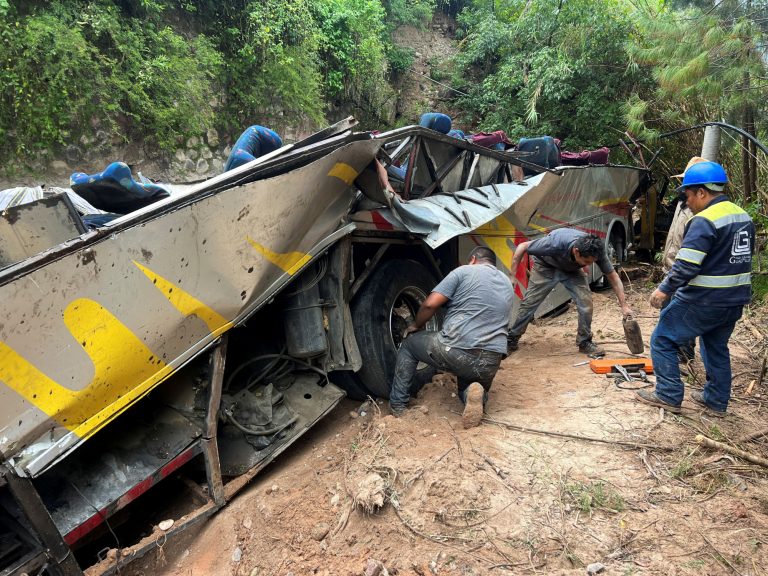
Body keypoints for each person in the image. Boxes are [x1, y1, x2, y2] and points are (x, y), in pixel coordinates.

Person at [637, 161, 754, 415]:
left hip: (702, 300)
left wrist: (663, 289)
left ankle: (668, 394)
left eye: (688, 195)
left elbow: (687, 265)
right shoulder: (742, 216)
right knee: (715, 346)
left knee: (662, 339)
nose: (687, 202)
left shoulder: (704, 220)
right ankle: (716, 401)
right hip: (734, 301)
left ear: (702, 192)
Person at [389, 246, 514, 429]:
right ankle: (474, 392)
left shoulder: (463, 272)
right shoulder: (506, 282)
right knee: (467, 385)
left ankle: (398, 405)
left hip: (458, 350)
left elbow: (430, 305)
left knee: (409, 345)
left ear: (473, 259)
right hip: (491, 359)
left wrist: (415, 325)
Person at [506, 229, 632, 356]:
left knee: (586, 304)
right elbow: (522, 246)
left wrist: (624, 306)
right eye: (587, 262)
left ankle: (584, 342)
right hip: (546, 267)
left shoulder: (597, 251)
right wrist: (512, 275)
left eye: (592, 262)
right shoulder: (554, 243)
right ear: (576, 251)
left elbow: (614, 278)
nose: (589, 265)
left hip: (572, 271)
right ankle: (512, 339)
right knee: (529, 303)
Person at [661, 157, 707, 362]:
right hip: (672, 271)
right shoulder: (683, 204)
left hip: (685, 273)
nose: (683, 185)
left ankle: (684, 355)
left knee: (683, 316)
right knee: (668, 315)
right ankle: (673, 352)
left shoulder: (701, 211)